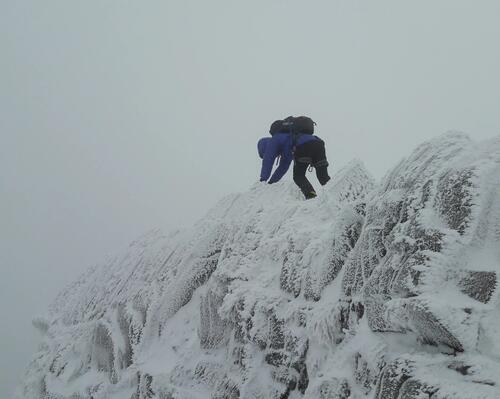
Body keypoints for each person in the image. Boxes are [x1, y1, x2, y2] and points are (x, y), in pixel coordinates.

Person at [258, 116, 330, 199]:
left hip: (303, 146)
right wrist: (272, 182)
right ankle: (336, 193)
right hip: (318, 143)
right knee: (323, 176)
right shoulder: (287, 142)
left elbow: (268, 160)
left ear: (264, 148)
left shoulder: (274, 140)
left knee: (299, 176)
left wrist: (263, 180)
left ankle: (311, 196)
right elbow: (283, 167)